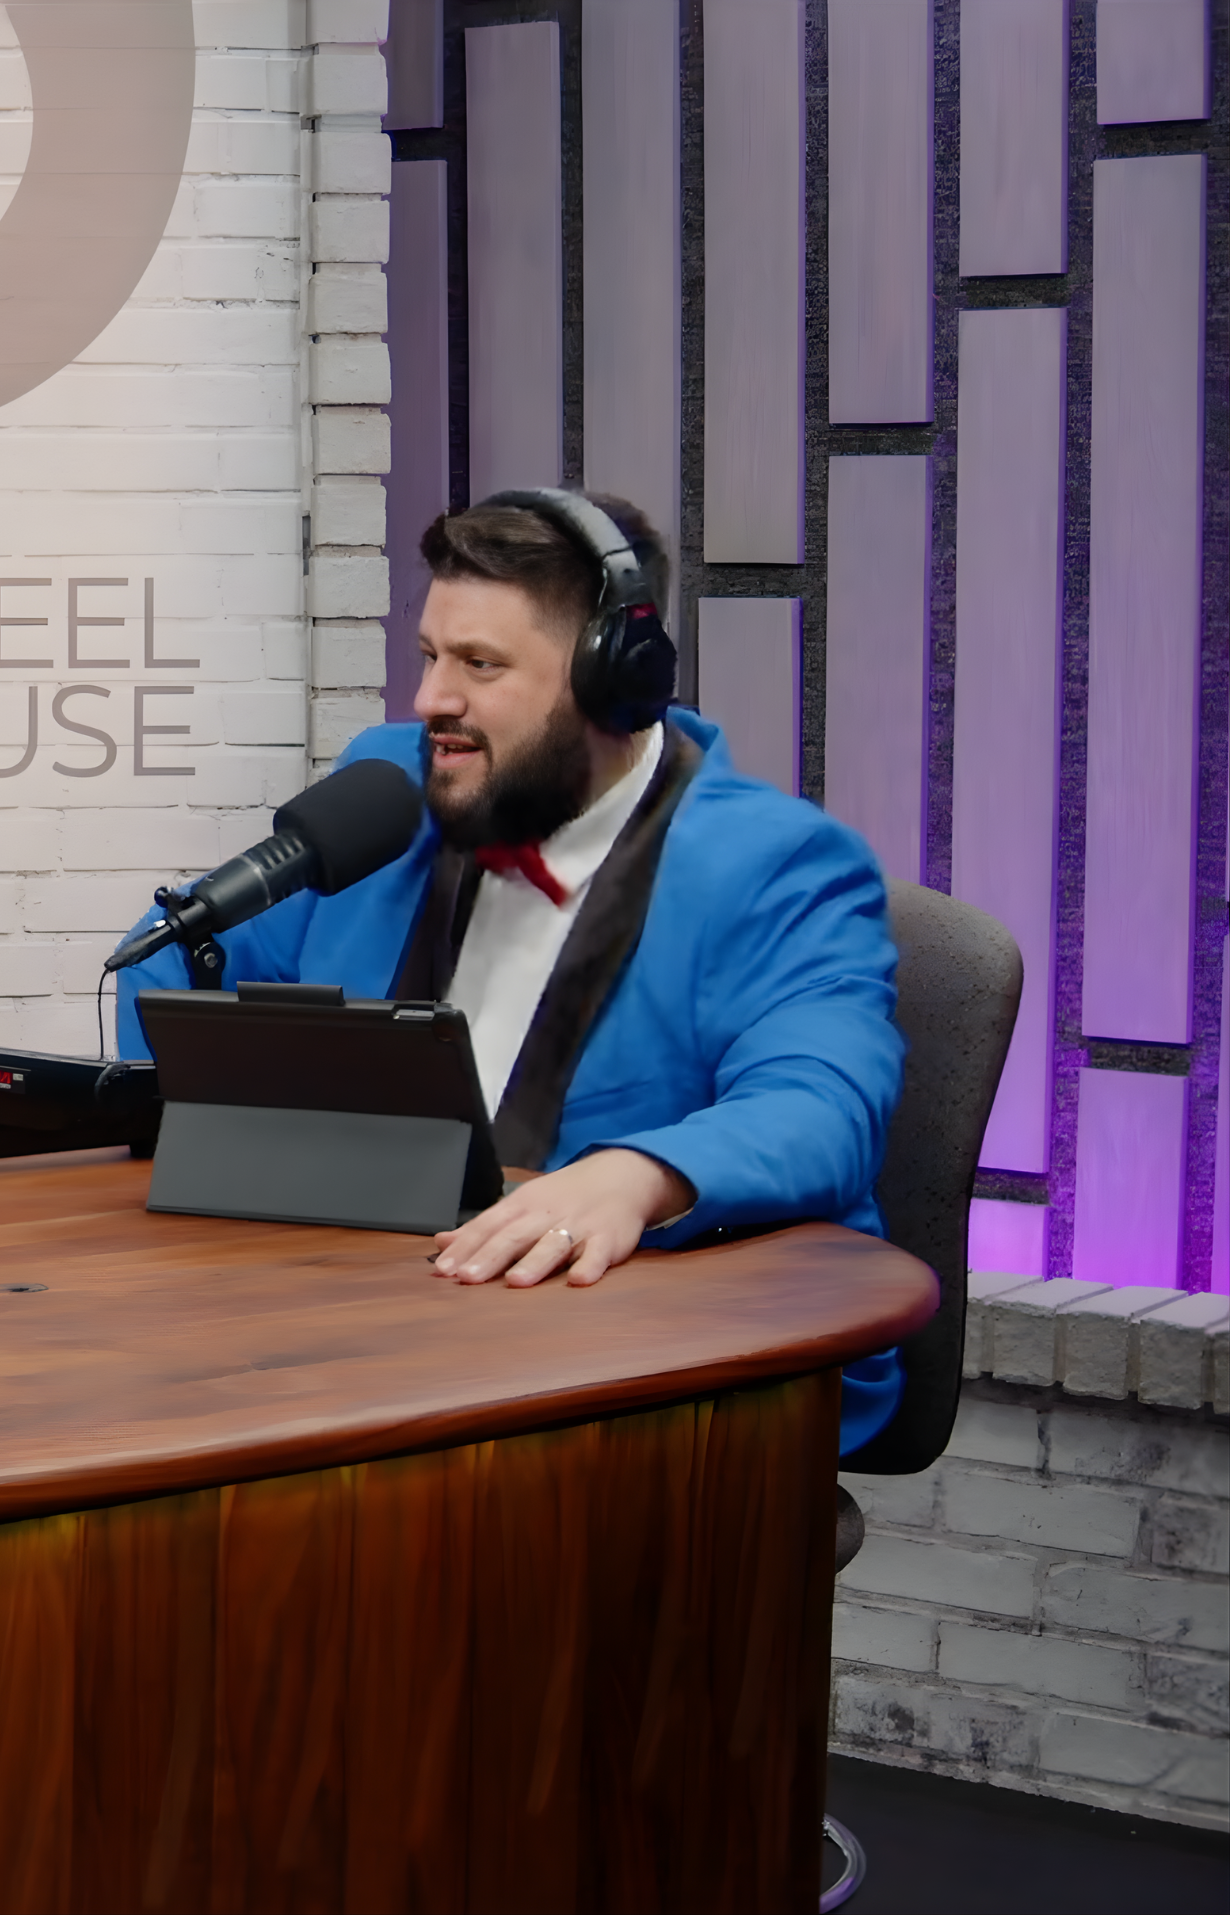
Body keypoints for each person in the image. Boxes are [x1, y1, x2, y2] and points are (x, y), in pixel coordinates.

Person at [110, 489, 907, 1453]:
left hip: (657, 1356)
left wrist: (640, 1175)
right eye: (430, 657)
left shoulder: (780, 865)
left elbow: (825, 1105)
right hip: (372, 1327)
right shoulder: (397, 784)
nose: (430, 701)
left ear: (616, 681)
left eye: (479, 665)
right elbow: (174, 968)